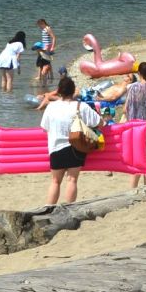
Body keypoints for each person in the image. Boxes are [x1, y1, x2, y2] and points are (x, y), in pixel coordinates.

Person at [35, 75, 101, 205]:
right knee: (72, 180)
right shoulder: (81, 106)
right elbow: (98, 122)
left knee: (55, 181)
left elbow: (44, 127)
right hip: (76, 147)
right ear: (73, 91)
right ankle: (69, 209)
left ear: (59, 91)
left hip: (56, 148)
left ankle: (49, 209)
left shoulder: (51, 107)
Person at [35, 18, 55, 83]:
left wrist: (52, 47)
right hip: (44, 47)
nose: (39, 27)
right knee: (46, 61)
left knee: (46, 62)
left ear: (42, 23)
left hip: (47, 47)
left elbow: (54, 37)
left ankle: (43, 76)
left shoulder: (47, 28)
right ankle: (50, 76)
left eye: (39, 25)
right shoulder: (44, 29)